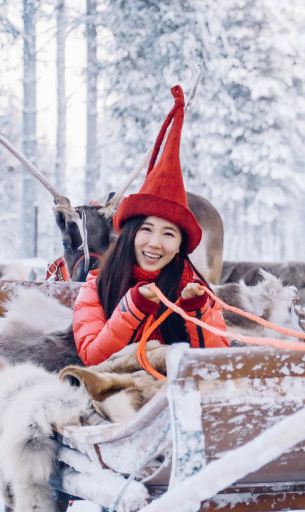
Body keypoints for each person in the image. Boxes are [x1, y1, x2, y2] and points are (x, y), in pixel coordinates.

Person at [73, 85, 229, 366]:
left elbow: (216, 360)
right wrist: (135, 306)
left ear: (180, 245)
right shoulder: (96, 288)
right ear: (129, 235)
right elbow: (93, 357)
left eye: (168, 233)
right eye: (146, 229)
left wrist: (195, 310)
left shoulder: (196, 291)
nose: (155, 243)